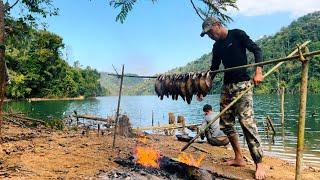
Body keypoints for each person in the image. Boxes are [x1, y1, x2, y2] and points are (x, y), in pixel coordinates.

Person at [198, 17, 266, 180]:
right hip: (227, 87)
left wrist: (258, 72)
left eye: (210, 32)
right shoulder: (216, 46)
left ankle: (259, 164)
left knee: (247, 124)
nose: (210, 36)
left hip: (242, 84)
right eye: (207, 34)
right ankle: (238, 158)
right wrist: (204, 89)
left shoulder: (237, 35)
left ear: (218, 25)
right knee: (226, 123)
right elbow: (214, 69)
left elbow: (257, 50)